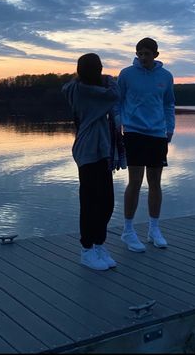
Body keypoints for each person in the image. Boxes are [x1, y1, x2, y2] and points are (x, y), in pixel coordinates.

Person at [62, 53, 123, 270]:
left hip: (102, 149)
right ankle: (86, 250)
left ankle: (99, 244)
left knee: (106, 201)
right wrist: (108, 78)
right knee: (90, 202)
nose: (100, 72)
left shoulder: (81, 88)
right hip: (89, 150)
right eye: (97, 69)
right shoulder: (83, 92)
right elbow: (115, 94)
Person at [117, 37, 175, 252]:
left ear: (155, 55)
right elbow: (118, 101)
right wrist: (118, 125)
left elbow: (169, 103)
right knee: (134, 181)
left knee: (155, 182)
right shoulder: (126, 74)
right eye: (139, 53)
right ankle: (128, 230)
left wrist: (170, 129)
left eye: (147, 53)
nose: (143, 57)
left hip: (158, 134)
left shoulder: (166, 76)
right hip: (133, 132)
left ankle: (154, 229)